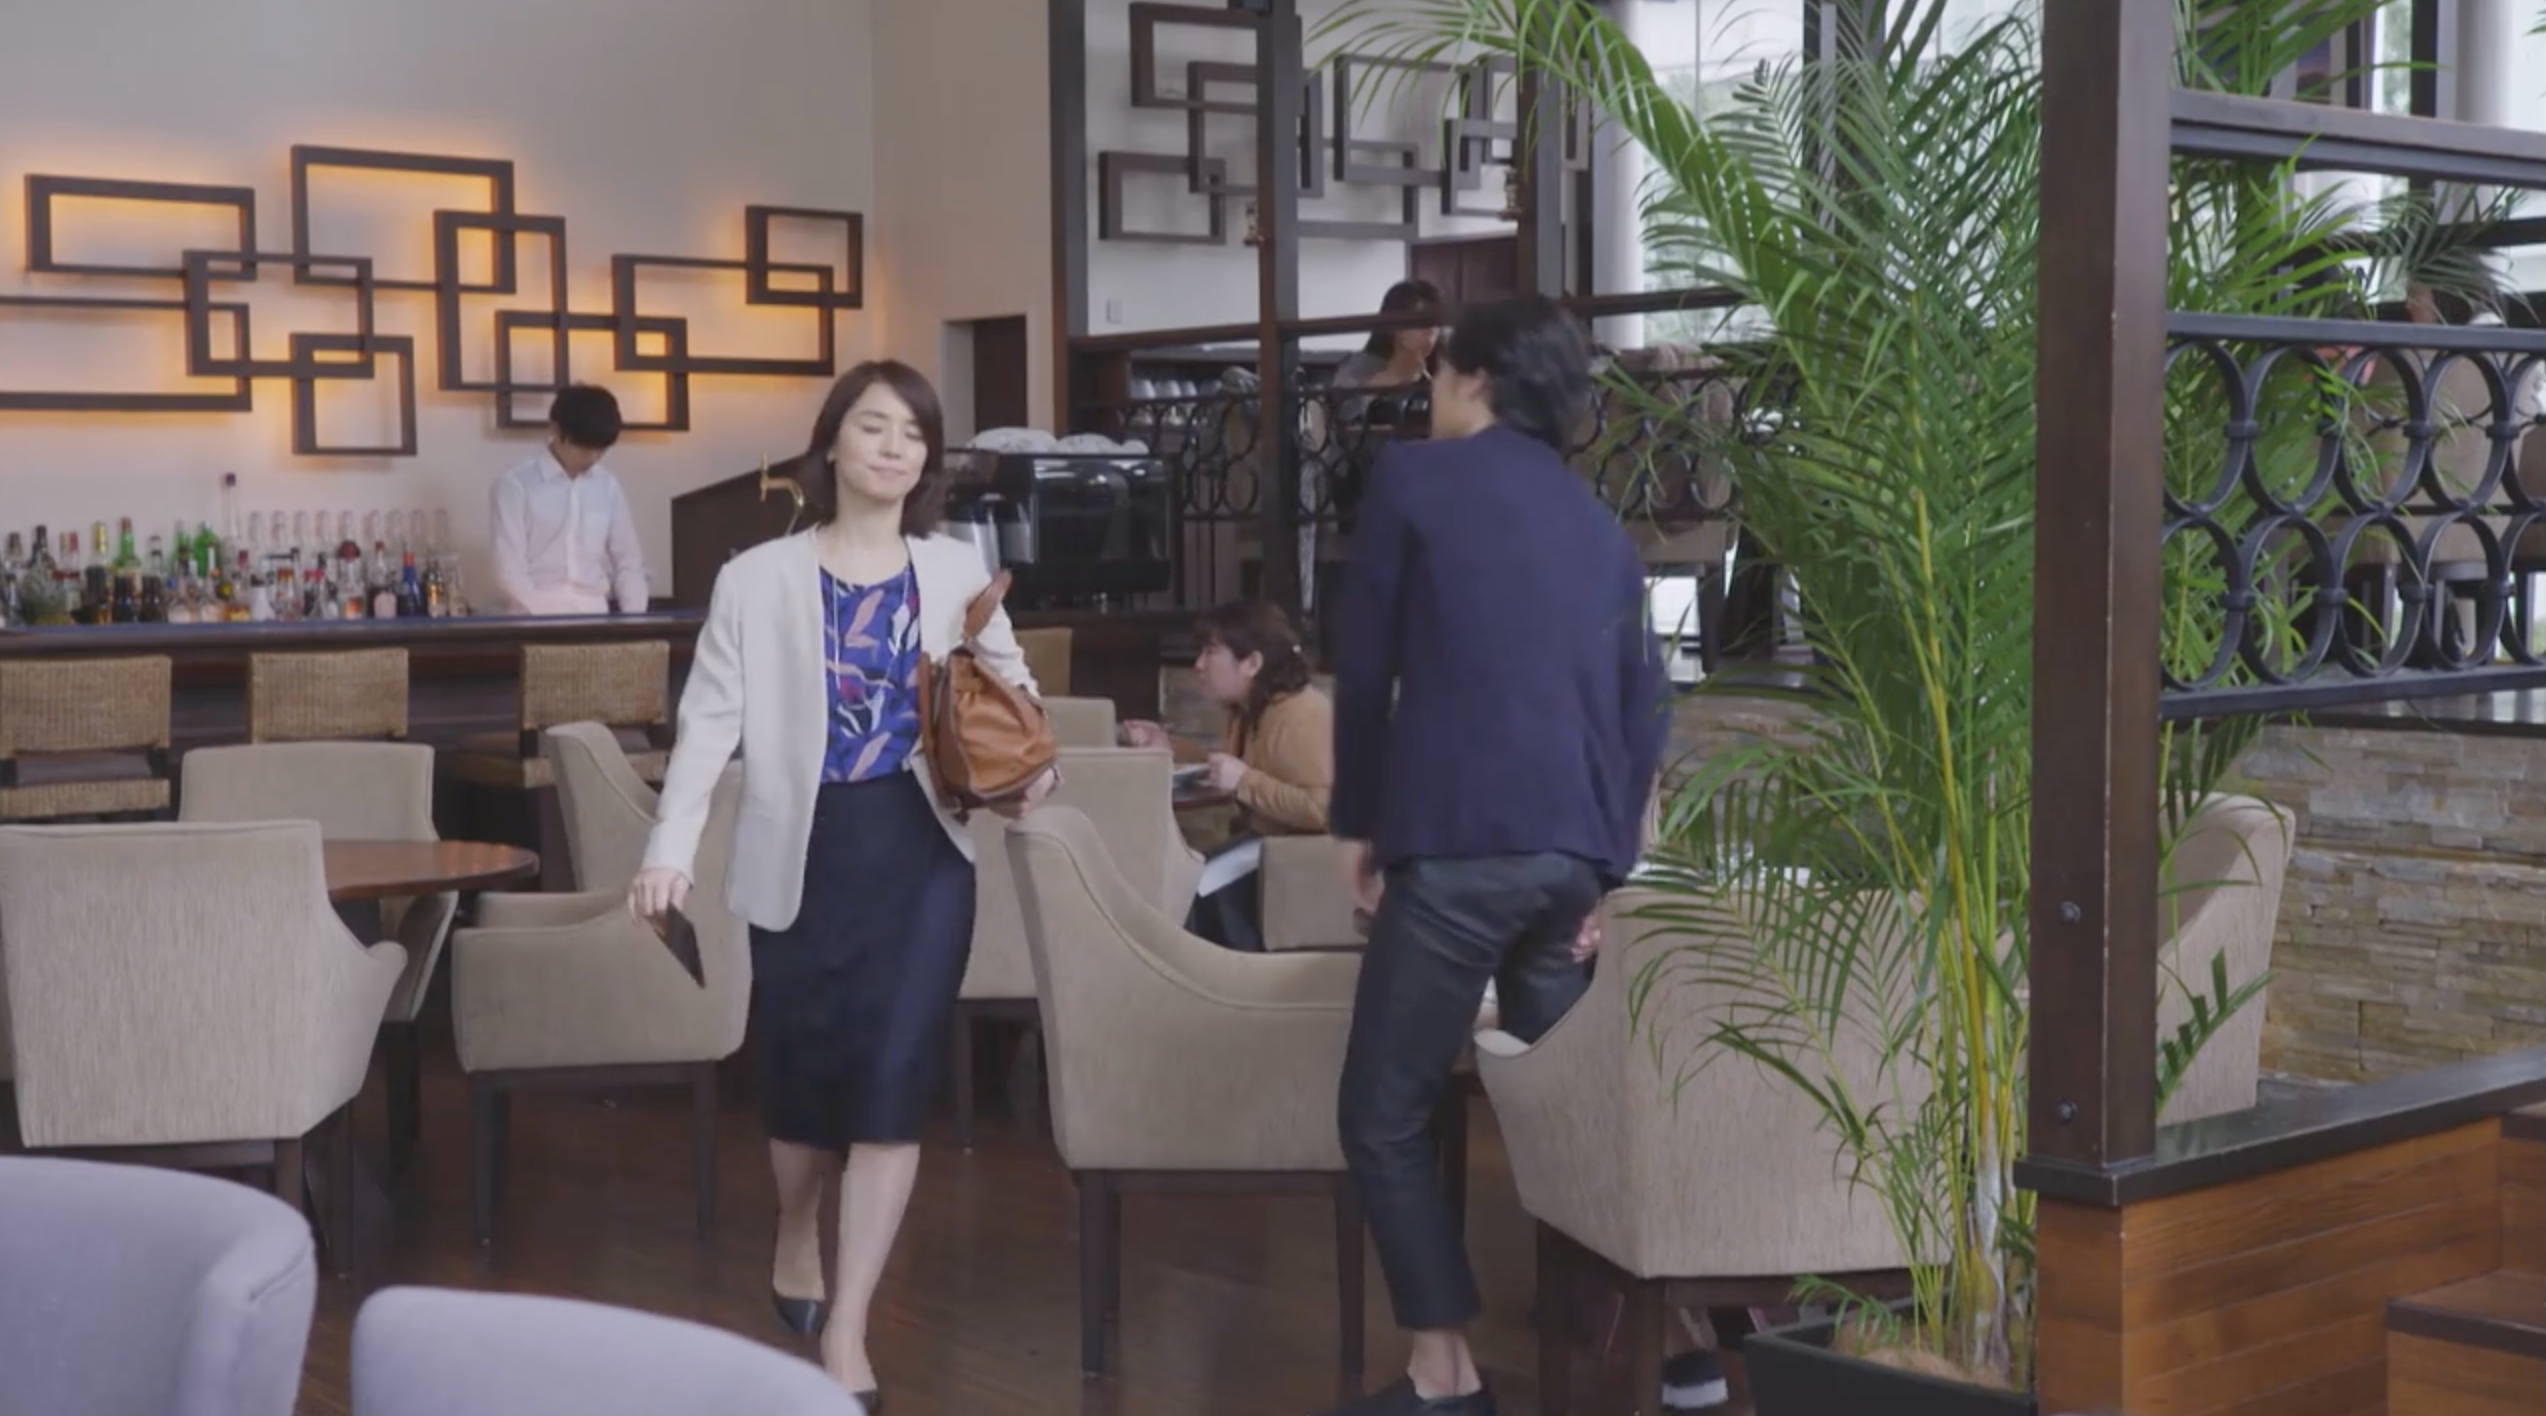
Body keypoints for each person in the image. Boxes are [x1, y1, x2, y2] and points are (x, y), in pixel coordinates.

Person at [627, 360, 1054, 1411]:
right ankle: (794, 1225)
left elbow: (1011, 683)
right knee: (804, 1090)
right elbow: (708, 725)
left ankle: (851, 1328)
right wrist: (668, 849)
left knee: (893, 1085)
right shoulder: (756, 577)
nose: (894, 447)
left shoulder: (953, 568)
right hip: (802, 851)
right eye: (874, 427)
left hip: (921, 850)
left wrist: (1026, 758)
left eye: (913, 433)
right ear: (831, 444)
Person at [1323, 295, 1669, 1416]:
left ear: (1468, 377)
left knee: (1383, 1112)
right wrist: (1606, 870)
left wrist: (1357, 824)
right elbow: (1646, 709)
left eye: (1434, 378)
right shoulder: (1598, 528)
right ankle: (1663, 1355)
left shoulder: (1414, 483)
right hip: (1569, 867)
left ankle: (1445, 1373)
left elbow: (1364, 668)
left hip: (1460, 849)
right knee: (1558, 1118)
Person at [1123, 599, 1334, 949]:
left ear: (1252, 663)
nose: (1198, 665)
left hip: (1299, 859)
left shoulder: (1299, 715)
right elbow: (1235, 767)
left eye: (1211, 652)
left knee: (1193, 894)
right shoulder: (1251, 707)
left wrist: (1244, 782)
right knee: (1176, 881)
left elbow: (1324, 810)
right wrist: (1169, 747)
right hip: (1263, 844)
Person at [487, 383, 651, 615]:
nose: (592, 458)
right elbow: (509, 571)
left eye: (600, 450)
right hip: (532, 612)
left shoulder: (607, 486)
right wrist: (540, 619)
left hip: (594, 612)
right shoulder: (515, 484)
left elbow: (629, 562)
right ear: (555, 429)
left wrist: (634, 621)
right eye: (583, 448)